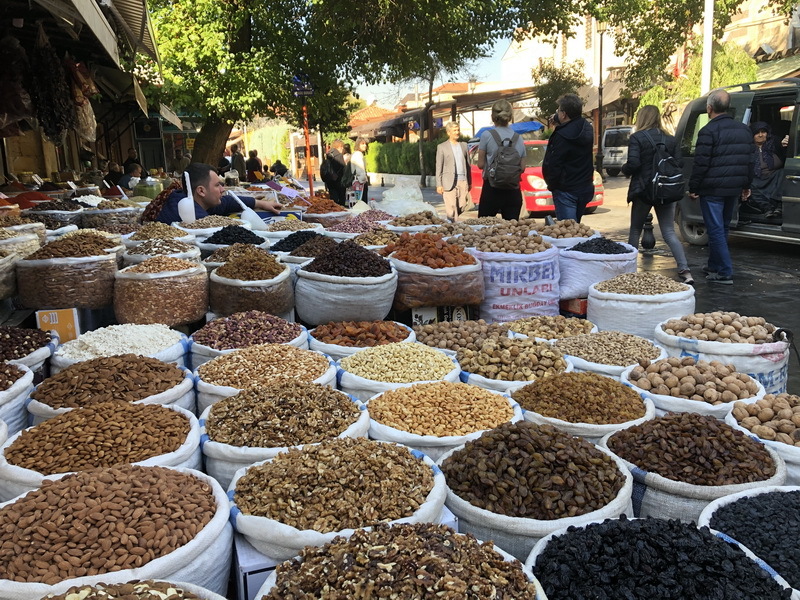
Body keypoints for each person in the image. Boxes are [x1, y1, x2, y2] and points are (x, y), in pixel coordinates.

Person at [688, 89, 754, 285]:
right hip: (733, 188)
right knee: (722, 227)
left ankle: (725, 271)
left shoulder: (708, 131)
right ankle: (714, 265)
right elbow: (750, 161)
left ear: (709, 108)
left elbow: (701, 163)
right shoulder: (744, 130)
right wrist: (746, 185)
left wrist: (694, 187)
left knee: (715, 229)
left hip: (713, 189)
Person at [622, 105, 693, 285]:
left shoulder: (637, 138)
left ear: (642, 118)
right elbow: (679, 163)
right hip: (666, 190)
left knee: (635, 230)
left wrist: (625, 169)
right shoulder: (670, 139)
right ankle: (685, 271)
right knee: (669, 232)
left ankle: (629, 271)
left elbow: (633, 164)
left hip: (644, 190)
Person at [155, 162, 282, 224]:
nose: (223, 189)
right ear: (201, 191)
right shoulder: (190, 213)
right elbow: (208, 226)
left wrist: (261, 203)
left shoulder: (201, 200)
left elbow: (228, 202)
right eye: (217, 185)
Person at [542, 94, 595, 222]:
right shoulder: (587, 128)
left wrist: (552, 185)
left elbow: (554, 163)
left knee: (568, 230)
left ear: (564, 114)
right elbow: (573, 124)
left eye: (558, 110)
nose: (557, 113)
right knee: (576, 227)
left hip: (566, 189)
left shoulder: (561, 135)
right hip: (584, 186)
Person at [476, 100, 526, 219]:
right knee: (511, 228)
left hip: (491, 189)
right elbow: (522, 168)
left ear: (492, 116)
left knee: (484, 227)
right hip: (513, 191)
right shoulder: (518, 138)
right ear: (510, 116)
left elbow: (480, 164)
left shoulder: (487, 135)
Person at [739, 121, 788, 222]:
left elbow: (786, 155)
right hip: (757, 179)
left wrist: (786, 145)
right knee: (748, 184)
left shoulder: (775, 142)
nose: (761, 135)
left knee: (783, 173)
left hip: (774, 177)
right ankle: (767, 208)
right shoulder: (748, 148)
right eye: (757, 133)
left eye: (763, 132)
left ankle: (779, 206)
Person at [436, 123, 471, 221]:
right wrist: (439, 184)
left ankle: (453, 221)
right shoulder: (442, 147)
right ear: (448, 133)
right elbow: (439, 166)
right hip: (448, 181)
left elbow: (468, 165)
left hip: (462, 180)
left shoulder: (464, 145)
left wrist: (470, 182)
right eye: (454, 130)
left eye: (458, 130)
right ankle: (453, 226)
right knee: (451, 208)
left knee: (462, 205)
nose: (457, 132)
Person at [322, 140, 347, 205]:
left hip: (329, 181)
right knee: (341, 201)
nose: (343, 149)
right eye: (342, 147)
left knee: (333, 199)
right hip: (338, 181)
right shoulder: (339, 156)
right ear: (339, 147)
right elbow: (342, 168)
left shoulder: (328, 154)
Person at [349, 138, 370, 204]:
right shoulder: (358, 154)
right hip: (360, 183)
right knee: (362, 202)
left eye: (365, 144)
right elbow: (360, 169)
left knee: (358, 201)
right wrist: (363, 179)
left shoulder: (355, 154)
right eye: (362, 144)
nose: (365, 145)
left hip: (357, 181)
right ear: (358, 145)